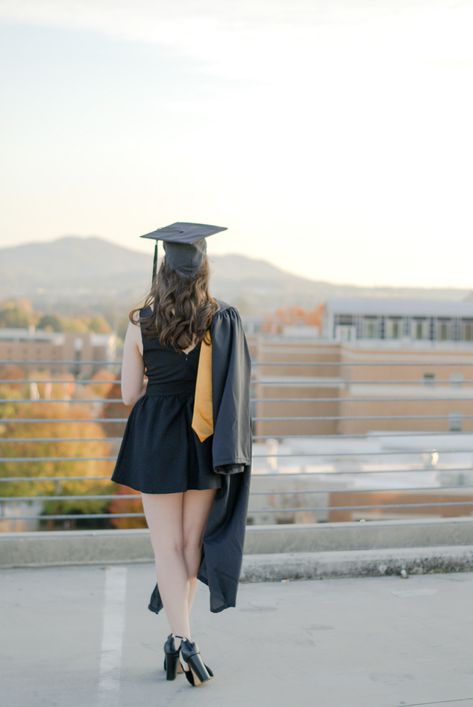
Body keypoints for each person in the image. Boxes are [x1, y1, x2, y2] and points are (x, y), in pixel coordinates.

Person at [110, 222, 252, 687]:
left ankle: (183, 641)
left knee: (165, 548)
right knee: (189, 546)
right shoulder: (219, 319)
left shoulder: (139, 323)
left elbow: (129, 394)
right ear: (203, 268)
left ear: (163, 269)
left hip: (157, 438)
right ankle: (178, 640)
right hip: (203, 436)